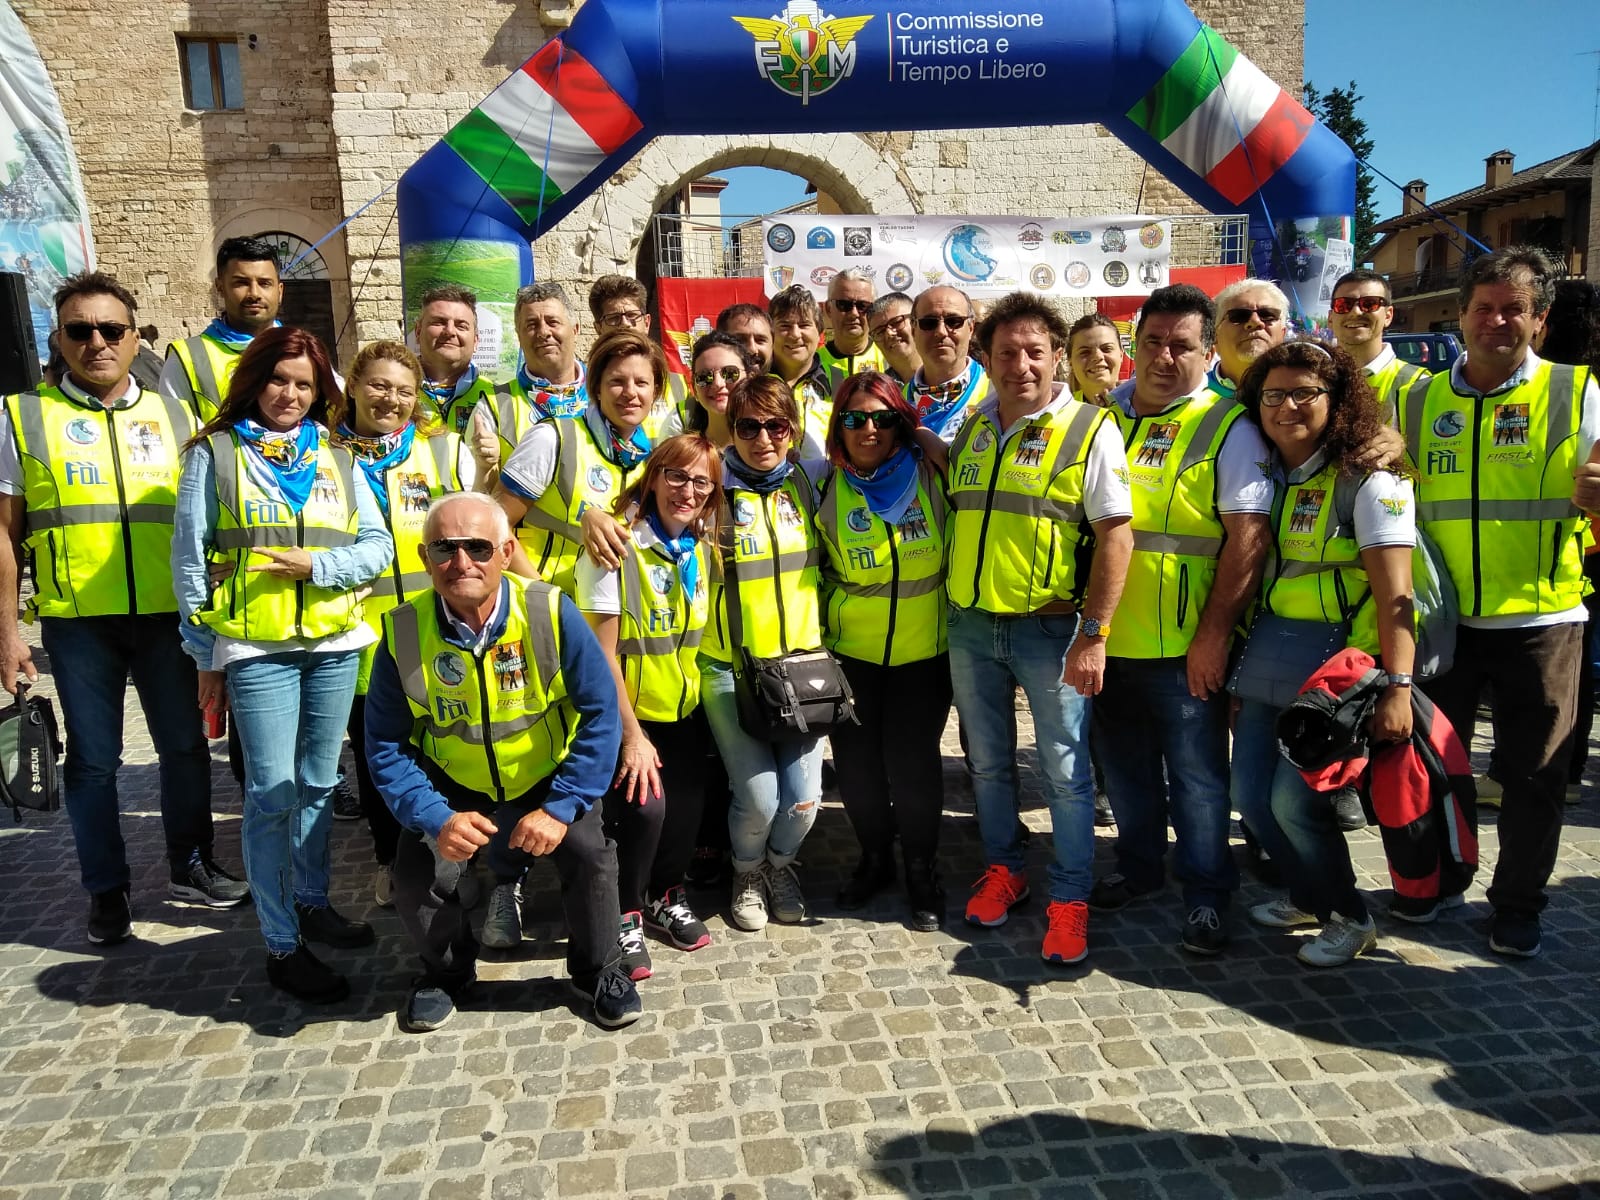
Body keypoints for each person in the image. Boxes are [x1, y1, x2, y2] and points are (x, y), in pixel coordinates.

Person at [0, 271, 248, 945]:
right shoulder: (22, 416)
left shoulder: (177, 417)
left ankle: (191, 864)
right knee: (94, 762)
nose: (97, 343)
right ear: (59, 339)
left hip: (169, 617)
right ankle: (106, 890)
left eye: (112, 329)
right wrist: (7, 633)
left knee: (186, 747)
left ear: (136, 338)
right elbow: (4, 534)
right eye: (80, 330)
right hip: (79, 623)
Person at [173, 326, 394, 1003]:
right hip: (257, 648)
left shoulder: (339, 455)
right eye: (278, 379)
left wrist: (316, 566)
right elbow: (188, 561)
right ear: (254, 380)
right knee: (271, 793)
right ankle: (281, 943)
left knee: (320, 783)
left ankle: (312, 902)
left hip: (333, 644)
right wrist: (204, 654)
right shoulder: (215, 453)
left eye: (304, 383)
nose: (290, 394)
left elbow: (377, 546)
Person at [363, 492, 637, 1031]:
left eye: (479, 547)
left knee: (590, 855)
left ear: (507, 551)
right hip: (453, 784)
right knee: (415, 877)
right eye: (444, 548)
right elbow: (384, 746)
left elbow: (601, 715)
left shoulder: (551, 610)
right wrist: (435, 817)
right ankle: (446, 974)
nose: (461, 562)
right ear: (424, 558)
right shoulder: (401, 631)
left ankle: (600, 969)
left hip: (546, 776)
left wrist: (561, 807)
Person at [1410, 246, 1600, 959]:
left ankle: (1518, 905)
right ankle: (1440, 882)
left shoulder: (1577, 390)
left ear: (1539, 319)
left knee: (1533, 778)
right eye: (1483, 308)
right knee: (1436, 770)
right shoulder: (1419, 398)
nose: (1496, 321)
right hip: (1445, 621)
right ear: (1460, 317)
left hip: (1542, 620)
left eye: (1513, 309)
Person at [945, 292, 1133, 965]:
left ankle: (1070, 897)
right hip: (972, 627)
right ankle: (1005, 870)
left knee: (1064, 773)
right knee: (988, 764)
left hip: (1050, 633)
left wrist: (1094, 634)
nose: (1020, 365)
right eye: (1006, 353)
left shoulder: (1089, 428)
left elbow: (1117, 537)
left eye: (1034, 352)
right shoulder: (975, 426)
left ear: (1058, 356)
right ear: (986, 357)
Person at [1090, 284, 1272, 956]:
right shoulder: (1101, 415)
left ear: (1208, 350)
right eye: (1152, 343)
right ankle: (1139, 867)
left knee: (1198, 781)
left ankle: (1207, 892)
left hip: (1184, 647)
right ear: (1133, 346)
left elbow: (1248, 538)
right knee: (1126, 771)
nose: (1164, 357)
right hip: (1108, 641)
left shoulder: (1230, 425)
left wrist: (1214, 636)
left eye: (1182, 345)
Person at [1234, 339, 1420, 966]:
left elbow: (1397, 595)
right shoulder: (1265, 472)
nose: (1287, 406)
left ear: (1338, 401)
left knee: (1293, 803)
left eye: (1305, 393)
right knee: (1250, 796)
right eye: (1273, 394)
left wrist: (1398, 687)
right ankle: (1308, 895)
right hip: (1273, 658)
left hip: (1340, 674)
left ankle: (1350, 916)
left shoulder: (1370, 480)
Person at [485, 329, 661, 946]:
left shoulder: (650, 450)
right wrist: (546, 601)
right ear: (595, 387)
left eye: (642, 382)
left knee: (594, 755)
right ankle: (505, 881)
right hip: (542, 628)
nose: (630, 392)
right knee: (530, 757)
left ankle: (601, 886)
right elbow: (496, 524)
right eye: (617, 381)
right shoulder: (554, 438)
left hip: (612, 628)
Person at [331, 340, 473, 906]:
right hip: (357, 632)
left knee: (447, 744)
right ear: (353, 386)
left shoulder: (444, 450)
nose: (390, 399)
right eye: (378, 385)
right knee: (377, 755)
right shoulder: (323, 454)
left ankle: (456, 851)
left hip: (436, 627)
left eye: (403, 391)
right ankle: (390, 858)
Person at [576, 434, 721, 976]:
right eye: (676, 476)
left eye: (701, 482)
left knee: (686, 810)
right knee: (643, 812)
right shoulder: (615, 548)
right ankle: (625, 912)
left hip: (681, 707)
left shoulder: (699, 548)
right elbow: (602, 656)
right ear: (654, 476)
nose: (688, 491)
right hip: (628, 713)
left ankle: (664, 894)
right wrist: (632, 736)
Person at [815, 371, 951, 930]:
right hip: (851, 656)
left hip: (925, 654)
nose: (868, 429)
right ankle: (874, 859)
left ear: (901, 423)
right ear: (838, 426)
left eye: (882, 417)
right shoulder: (822, 482)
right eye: (854, 418)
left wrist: (931, 441)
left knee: (913, 766)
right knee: (858, 771)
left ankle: (921, 868)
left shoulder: (933, 473)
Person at [700, 374, 828, 932]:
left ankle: (780, 864)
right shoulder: (709, 488)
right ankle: (746, 871)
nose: (763, 438)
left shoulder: (810, 482)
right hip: (730, 668)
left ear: (793, 429)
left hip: (800, 667)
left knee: (803, 800)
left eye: (776, 426)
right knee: (758, 799)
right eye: (748, 426)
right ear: (731, 428)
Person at [161, 235, 283, 422]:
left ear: (280, 291)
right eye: (241, 283)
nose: (254, 294)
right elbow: (174, 430)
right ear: (220, 288)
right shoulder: (187, 359)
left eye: (264, 283)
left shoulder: (305, 353)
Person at [472, 282, 587, 475]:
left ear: (575, 329)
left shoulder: (605, 393)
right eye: (532, 325)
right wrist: (485, 467)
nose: (543, 332)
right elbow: (479, 489)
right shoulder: (493, 406)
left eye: (553, 322)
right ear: (518, 336)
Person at [587, 274, 687, 439]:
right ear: (598, 328)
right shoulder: (584, 386)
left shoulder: (678, 383)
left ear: (647, 323)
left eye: (632, 315)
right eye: (613, 318)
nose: (625, 324)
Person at [1328, 270, 1426, 425]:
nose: (1355, 312)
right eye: (1344, 305)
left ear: (1388, 315)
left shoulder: (1417, 384)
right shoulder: (1313, 376)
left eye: (1369, 304)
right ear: (1330, 318)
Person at [906, 285, 989, 444]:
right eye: (929, 323)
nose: (941, 332)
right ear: (913, 330)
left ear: (971, 328)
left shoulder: (997, 394)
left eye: (954, 321)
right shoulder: (896, 402)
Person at [413, 284, 498, 438]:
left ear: (476, 341)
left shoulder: (497, 397)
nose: (450, 331)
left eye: (461, 326)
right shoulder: (397, 392)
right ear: (418, 332)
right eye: (439, 322)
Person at [767, 285, 832, 444]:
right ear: (770, 332)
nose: (795, 335)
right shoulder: (755, 383)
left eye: (804, 325)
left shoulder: (839, 382)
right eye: (785, 326)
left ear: (819, 332)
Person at [1209, 278, 1289, 399]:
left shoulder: (1306, 394)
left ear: (1283, 333)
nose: (1255, 321)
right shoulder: (1190, 396)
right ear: (1215, 335)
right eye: (1239, 316)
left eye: (1267, 315)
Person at [818, 268, 885, 393]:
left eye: (862, 306)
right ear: (828, 309)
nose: (854, 313)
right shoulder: (813, 363)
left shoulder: (889, 360)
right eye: (844, 304)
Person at [1067, 313, 1125, 406]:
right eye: (1085, 352)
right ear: (1070, 362)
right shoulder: (1060, 411)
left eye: (1106, 349)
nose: (1097, 357)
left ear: (1121, 354)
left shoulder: (1143, 406)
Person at [868, 292, 920, 384]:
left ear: (915, 320)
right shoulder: (878, 390)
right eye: (880, 331)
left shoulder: (946, 374)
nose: (889, 333)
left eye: (896, 322)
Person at [717, 303, 774, 376]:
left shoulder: (782, 383)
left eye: (760, 340)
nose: (752, 349)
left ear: (772, 345)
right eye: (740, 340)